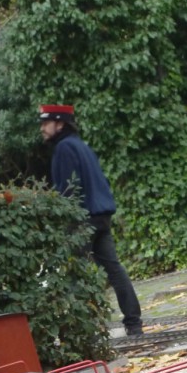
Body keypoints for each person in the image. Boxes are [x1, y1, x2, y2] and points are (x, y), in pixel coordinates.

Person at [38, 104, 143, 336]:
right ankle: (134, 324)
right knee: (114, 270)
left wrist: (62, 220)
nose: (42, 129)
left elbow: (68, 190)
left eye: (46, 123)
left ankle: (89, 331)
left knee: (78, 275)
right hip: (101, 216)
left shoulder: (64, 148)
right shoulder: (80, 145)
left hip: (82, 220)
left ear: (60, 124)